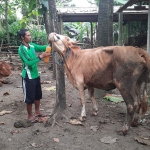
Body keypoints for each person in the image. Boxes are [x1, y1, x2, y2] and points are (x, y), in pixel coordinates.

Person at [18, 28, 50, 123]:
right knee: (29, 98)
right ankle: (30, 116)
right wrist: (40, 57)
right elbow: (28, 62)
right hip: (28, 76)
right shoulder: (21, 49)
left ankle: (37, 112)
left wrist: (51, 44)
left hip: (36, 75)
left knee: (37, 95)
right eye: (28, 35)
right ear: (22, 37)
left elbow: (42, 47)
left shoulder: (32, 45)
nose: (30, 36)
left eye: (30, 35)